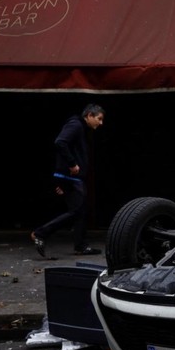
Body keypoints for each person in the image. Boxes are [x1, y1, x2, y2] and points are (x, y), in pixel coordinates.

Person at [31, 104, 105, 257]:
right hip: (70, 176)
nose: (100, 123)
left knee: (80, 211)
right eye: (99, 119)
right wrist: (72, 164)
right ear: (89, 115)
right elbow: (60, 142)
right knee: (77, 210)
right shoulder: (76, 124)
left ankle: (81, 246)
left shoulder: (81, 128)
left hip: (70, 177)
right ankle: (40, 233)